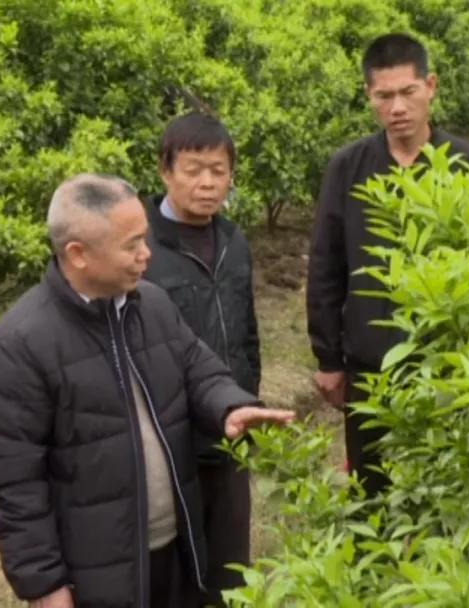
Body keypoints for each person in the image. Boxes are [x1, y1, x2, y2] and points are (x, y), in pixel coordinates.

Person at [0, 174, 293, 608]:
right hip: (99, 571)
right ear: (78, 254)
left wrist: (229, 406)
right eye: (132, 244)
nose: (147, 254)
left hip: (177, 548)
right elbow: (14, 485)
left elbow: (198, 368)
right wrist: (45, 585)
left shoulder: (151, 305)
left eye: (145, 239)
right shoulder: (19, 345)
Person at [307, 34, 469, 496]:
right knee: (372, 489)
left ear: (431, 86)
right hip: (370, 361)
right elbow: (326, 266)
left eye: (408, 92)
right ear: (369, 97)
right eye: (384, 96)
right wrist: (329, 358)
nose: (397, 107)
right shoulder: (347, 167)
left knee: (449, 487)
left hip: (444, 360)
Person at [142, 113, 258, 607]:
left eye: (218, 169)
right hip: (168, 436)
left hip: (230, 432)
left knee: (229, 568)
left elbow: (247, 331)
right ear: (165, 171)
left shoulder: (234, 242)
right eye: (193, 169)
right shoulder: (140, 246)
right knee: (174, 571)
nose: (208, 182)